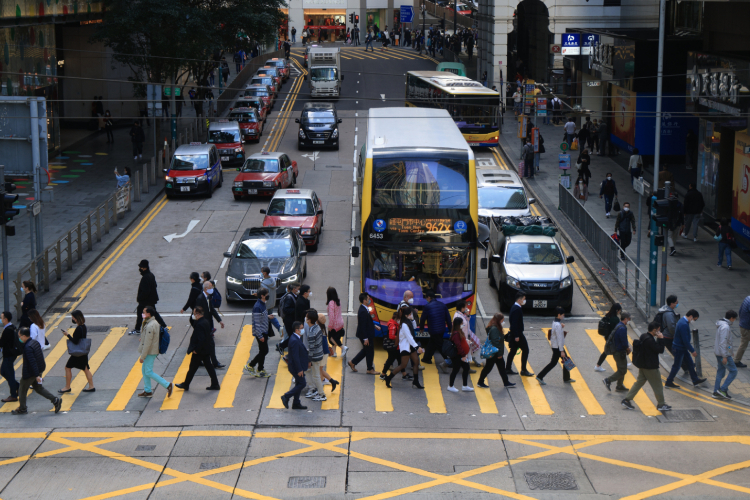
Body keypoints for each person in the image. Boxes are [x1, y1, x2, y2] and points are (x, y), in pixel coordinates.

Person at [621, 321, 671, 411]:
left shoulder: (644, 336)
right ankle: (661, 404)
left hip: (643, 365)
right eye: (658, 330)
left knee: (639, 383)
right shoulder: (650, 340)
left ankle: (627, 400)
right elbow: (660, 350)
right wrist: (661, 339)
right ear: (654, 330)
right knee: (658, 385)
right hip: (650, 367)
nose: (659, 332)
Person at [11, 327, 62, 415]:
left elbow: (32, 362)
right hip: (39, 369)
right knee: (38, 388)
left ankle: (22, 408)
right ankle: (55, 400)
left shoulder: (28, 347)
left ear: (24, 336)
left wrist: (36, 375)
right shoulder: (35, 342)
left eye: (19, 336)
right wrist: (38, 373)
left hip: (30, 373)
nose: (19, 338)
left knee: (22, 389)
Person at [175, 307, 220, 391]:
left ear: (198, 314)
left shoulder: (200, 324)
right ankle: (215, 384)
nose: (193, 315)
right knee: (209, 367)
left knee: (192, 368)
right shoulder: (205, 321)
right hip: (206, 349)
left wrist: (196, 350)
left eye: (194, 313)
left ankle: (186, 384)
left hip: (200, 351)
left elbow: (201, 339)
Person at [664, 309, 707, 389]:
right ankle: (668, 382)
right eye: (694, 319)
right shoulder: (684, 324)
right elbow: (685, 340)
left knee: (690, 364)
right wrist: (692, 350)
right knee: (676, 366)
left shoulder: (682, 321)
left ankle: (695, 380)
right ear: (691, 316)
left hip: (682, 348)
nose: (694, 321)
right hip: (679, 349)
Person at [384, 306, 424, 389]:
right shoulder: (404, 325)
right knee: (403, 365)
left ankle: (416, 381)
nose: (411, 315)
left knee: (416, 362)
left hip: (411, 346)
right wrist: (417, 347)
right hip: (406, 347)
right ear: (406, 315)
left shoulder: (408, 321)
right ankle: (388, 378)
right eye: (410, 314)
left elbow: (415, 326)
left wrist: (412, 319)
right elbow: (409, 337)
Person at [137, 307, 172, 398]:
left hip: (150, 352)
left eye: (144, 312)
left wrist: (142, 357)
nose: (142, 313)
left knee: (148, 372)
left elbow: (148, 343)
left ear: (149, 314)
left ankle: (167, 385)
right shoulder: (152, 322)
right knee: (144, 371)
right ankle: (148, 390)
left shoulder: (150, 325)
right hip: (152, 350)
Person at [58, 310, 95, 394]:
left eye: (73, 317)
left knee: (67, 368)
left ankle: (67, 387)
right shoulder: (83, 326)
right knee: (85, 369)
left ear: (76, 318)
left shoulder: (79, 328)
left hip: (77, 354)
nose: (72, 319)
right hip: (83, 352)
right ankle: (91, 386)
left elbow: (75, 341)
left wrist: (67, 335)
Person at [536, 307, 574, 385]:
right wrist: (562, 351)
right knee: (561, 361)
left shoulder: (555, 322)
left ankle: (566, 377)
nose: (564, 316)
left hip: (555, 346)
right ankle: (540, 376)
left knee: (561, 361)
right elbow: (559, 338)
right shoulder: (558, 325)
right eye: (563, 315)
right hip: (558, 347)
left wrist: (561, 326)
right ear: (559, 315)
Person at [477, 313, 515, 389]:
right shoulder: (494, 329)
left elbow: (498, 339)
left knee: (501, 367)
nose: (503, 322)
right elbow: (495, 342)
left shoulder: (495, 327)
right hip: (494, 352)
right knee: (488, 368)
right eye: (502, 320)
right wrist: (499, 354)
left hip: (496, 352)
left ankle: (506, 382)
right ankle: (480, 382)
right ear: (499, 320)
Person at [129, 260, 166, 335]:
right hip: (151, 299)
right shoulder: (151, 275)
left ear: (144, 268)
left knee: (140, 313)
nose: (140, 269)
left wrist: (140, 298)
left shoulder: (145, 278)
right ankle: (163, 326)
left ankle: (137, 329)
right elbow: (155, 285)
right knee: (154, 313)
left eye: (141, 267)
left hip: (145, 301)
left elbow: (145, 291)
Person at [419, 290, 452, 373]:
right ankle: (426, 358)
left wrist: (421, 328)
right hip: (441, 329)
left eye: (426, 298)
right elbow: (448, 318)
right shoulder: (443, 305)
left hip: (433, 329)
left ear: (429, 297)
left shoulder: (427, 306)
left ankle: (449, 361)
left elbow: (422, 318)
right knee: (432, 343)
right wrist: (450, 329)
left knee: (440, 346)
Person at [195, 280, 225, 369]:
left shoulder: (208, 297)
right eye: (210, 287)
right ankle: (214, 362)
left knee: (205, 344)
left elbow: (212, 310)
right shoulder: (200, 298)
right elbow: (197, 313)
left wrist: (220, 320)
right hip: (202, 326)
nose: (212, 289)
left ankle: (199, 360)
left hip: (207, 325)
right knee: (209, 344)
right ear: (205, 289)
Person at [349, 293, 380, 374]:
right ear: (364, 300)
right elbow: (363, 325)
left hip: (367, 334)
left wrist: (374, 326)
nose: (369, 300)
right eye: (368, 298)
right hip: (365, 335)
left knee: (367, 350)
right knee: (369, 351)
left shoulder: (364, 308)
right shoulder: (363, 311)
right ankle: (369, 369)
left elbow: (367, 321)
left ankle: (353, 362)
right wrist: (365, 338)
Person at [244, 288, 273, 378]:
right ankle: (251, 365)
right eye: (267, 294)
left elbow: (261, 317)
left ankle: (260, 369)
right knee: (265, 351)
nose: (268, 296)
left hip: (264, 331)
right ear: (262, 296)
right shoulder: (258, 306)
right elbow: (256, 323)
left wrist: (268, 316)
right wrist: (260, 336)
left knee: (262, 351)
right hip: (261, 332)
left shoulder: (262, 304)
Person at [280, 321, 309, 409]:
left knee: (298, 383)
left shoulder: (296, 337)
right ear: (297, 330)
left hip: (296, 366)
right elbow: (295, 357)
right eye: (301, 328)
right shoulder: (295, 340)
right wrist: (299, 369)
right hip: (296, 368)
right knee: (302, 383)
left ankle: (296, 403)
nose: (303, 330)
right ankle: (286, 396)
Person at [603, 311, 632, 392]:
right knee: (622, 370)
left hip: (617, 351)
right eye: (629, 319)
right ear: (625, 319)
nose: (629, 321)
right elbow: (624, 342)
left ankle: (619, 385)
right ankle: (608, 380)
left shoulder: (619, 325)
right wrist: (628, 348)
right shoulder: (622, 328)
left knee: (621, 368)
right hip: (619, 352)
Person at [506, 292, 533, 376]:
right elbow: (514, 323)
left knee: (513, 351)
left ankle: (508, 368)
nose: (524, 301)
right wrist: (517, 335)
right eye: (524, 299)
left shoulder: (515, 307)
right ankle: (523, 370)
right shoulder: (517, 309)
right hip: (517, 334)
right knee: (525, 350)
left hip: (515, 333)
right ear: (519, 300)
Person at [714, 310, 739, 399]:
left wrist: (730, 351)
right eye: (734, 319)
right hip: (723, 355)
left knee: (720, 371)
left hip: (719, 353)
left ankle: (716, 392)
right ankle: (723, 390)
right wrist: (725, 356)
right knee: (734, 371)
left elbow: (726, 342)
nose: (734, 321)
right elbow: (723, 343)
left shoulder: (721, 324)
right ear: (731, 318)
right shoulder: (725, 327)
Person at [304, 310, 327, 402]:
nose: (305, 318)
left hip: (314, 356)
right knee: (313, 373)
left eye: (306, 317)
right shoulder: (317, 327)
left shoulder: (311, 332)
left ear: (309, 320)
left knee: (316, 375)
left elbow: (312, 348)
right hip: (319, 354)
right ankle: (315, 390)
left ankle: (321, 394)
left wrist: (309, 360)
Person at [446, 317, 473, 393]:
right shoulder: (456, 334)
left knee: (466, 368)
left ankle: (465, 386)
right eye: (462, 323)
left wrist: (466, 341)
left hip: (461, 355)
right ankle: (450, 386)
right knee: (456, 369)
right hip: (458, 355)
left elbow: (461, 342)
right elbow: (458, 345)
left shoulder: (459, 332)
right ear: (458, 324)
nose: (463, 325)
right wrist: (463, 355)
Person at [453, 299, 481, 369]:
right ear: (462, 308)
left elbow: (466, 322)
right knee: (463, 353)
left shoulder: (461, 314)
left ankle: (466, 368)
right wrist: (464, 339)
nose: (466, 308)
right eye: (465, 307)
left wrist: (468, 315)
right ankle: (466, 368)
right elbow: (460, 328)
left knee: (465, 353)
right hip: (462, 338)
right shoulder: (458, 317)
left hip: (465, 337)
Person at [594, 303, 622, 372]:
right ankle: (598, 365)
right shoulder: (616, 319)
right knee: (615, 350)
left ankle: (598, 365)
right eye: (619, 310)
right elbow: (618, 329)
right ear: (617, 310)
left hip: (607, 336)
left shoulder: (607, 315)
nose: (619, 312)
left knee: (609, 351)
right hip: (613, 338)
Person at [277, 283, 300, 355]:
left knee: (293, 336)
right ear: (294, 289)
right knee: (293, 337)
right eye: (298, 289)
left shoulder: (295, 296)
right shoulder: (289, 297)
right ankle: (281, 346)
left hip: (291, 319)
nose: (299, 290)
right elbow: (285, 310)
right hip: (289, 320)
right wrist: (296, 310)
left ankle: (282, 346)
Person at [0, 312, 19, 403]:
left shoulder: (8, 330)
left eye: (1, 318)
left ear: (6, 319)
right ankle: (18, 386)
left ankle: (13, 395)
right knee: (3, 371)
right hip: (10, 355)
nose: (1, 319)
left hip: (9, 355)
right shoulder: (11, 327)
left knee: (9, 374)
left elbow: (1, 343)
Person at [260, 267, 282, 335]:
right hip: (272, 302)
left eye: (262, 271)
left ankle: (277, 329)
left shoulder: (263, 283)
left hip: (266, 303)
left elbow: (264, 294)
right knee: (270, 317)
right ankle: (278, 329)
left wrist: (257, 294)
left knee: (265, 318)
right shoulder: (272, 280)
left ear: (264, 273)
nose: (261, 273)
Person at [326, 287, 346, 357]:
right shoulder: (338, 300)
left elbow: (332, 316)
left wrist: (330, 326)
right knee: (336, 338)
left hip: (334, 324)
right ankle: (334, 353)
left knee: (331, 338)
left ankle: (343, 347)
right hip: (340, 322)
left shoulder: (331, 303)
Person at [735, 295, 750, 368]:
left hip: (744, 324)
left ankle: (736, 360)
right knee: (743, 344)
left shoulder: (747, 298)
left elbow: (740, 310)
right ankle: (736, 361)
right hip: (747, 327)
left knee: (743, 343)